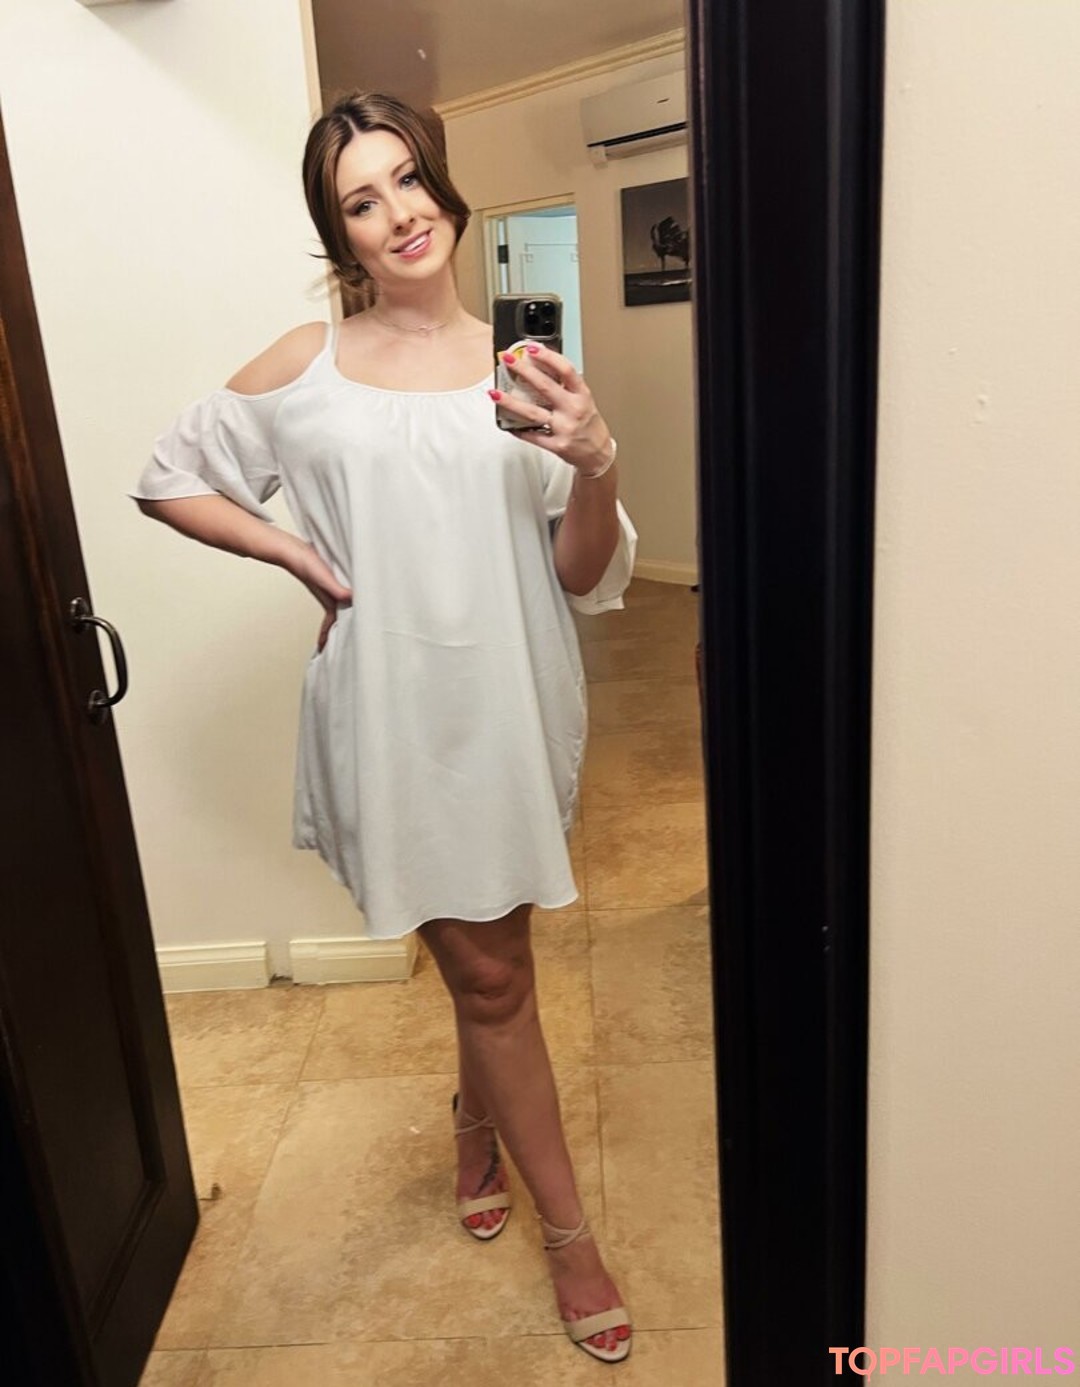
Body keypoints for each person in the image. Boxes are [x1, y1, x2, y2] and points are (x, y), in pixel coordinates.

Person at [132, 91, 636, 1364]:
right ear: (339, 234)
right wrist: (297, 554)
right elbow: (168, 476)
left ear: (444, 187)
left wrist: (597, 462)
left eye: (408, 178)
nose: (398, 213)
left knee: (489, 959)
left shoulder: (522, 366)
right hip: (391, 712)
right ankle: (572, 1238)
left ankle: (474, 1125)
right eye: (362, 200)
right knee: (495, 976)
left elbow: (581, 574)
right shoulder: (308, 367)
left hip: (511, 703)